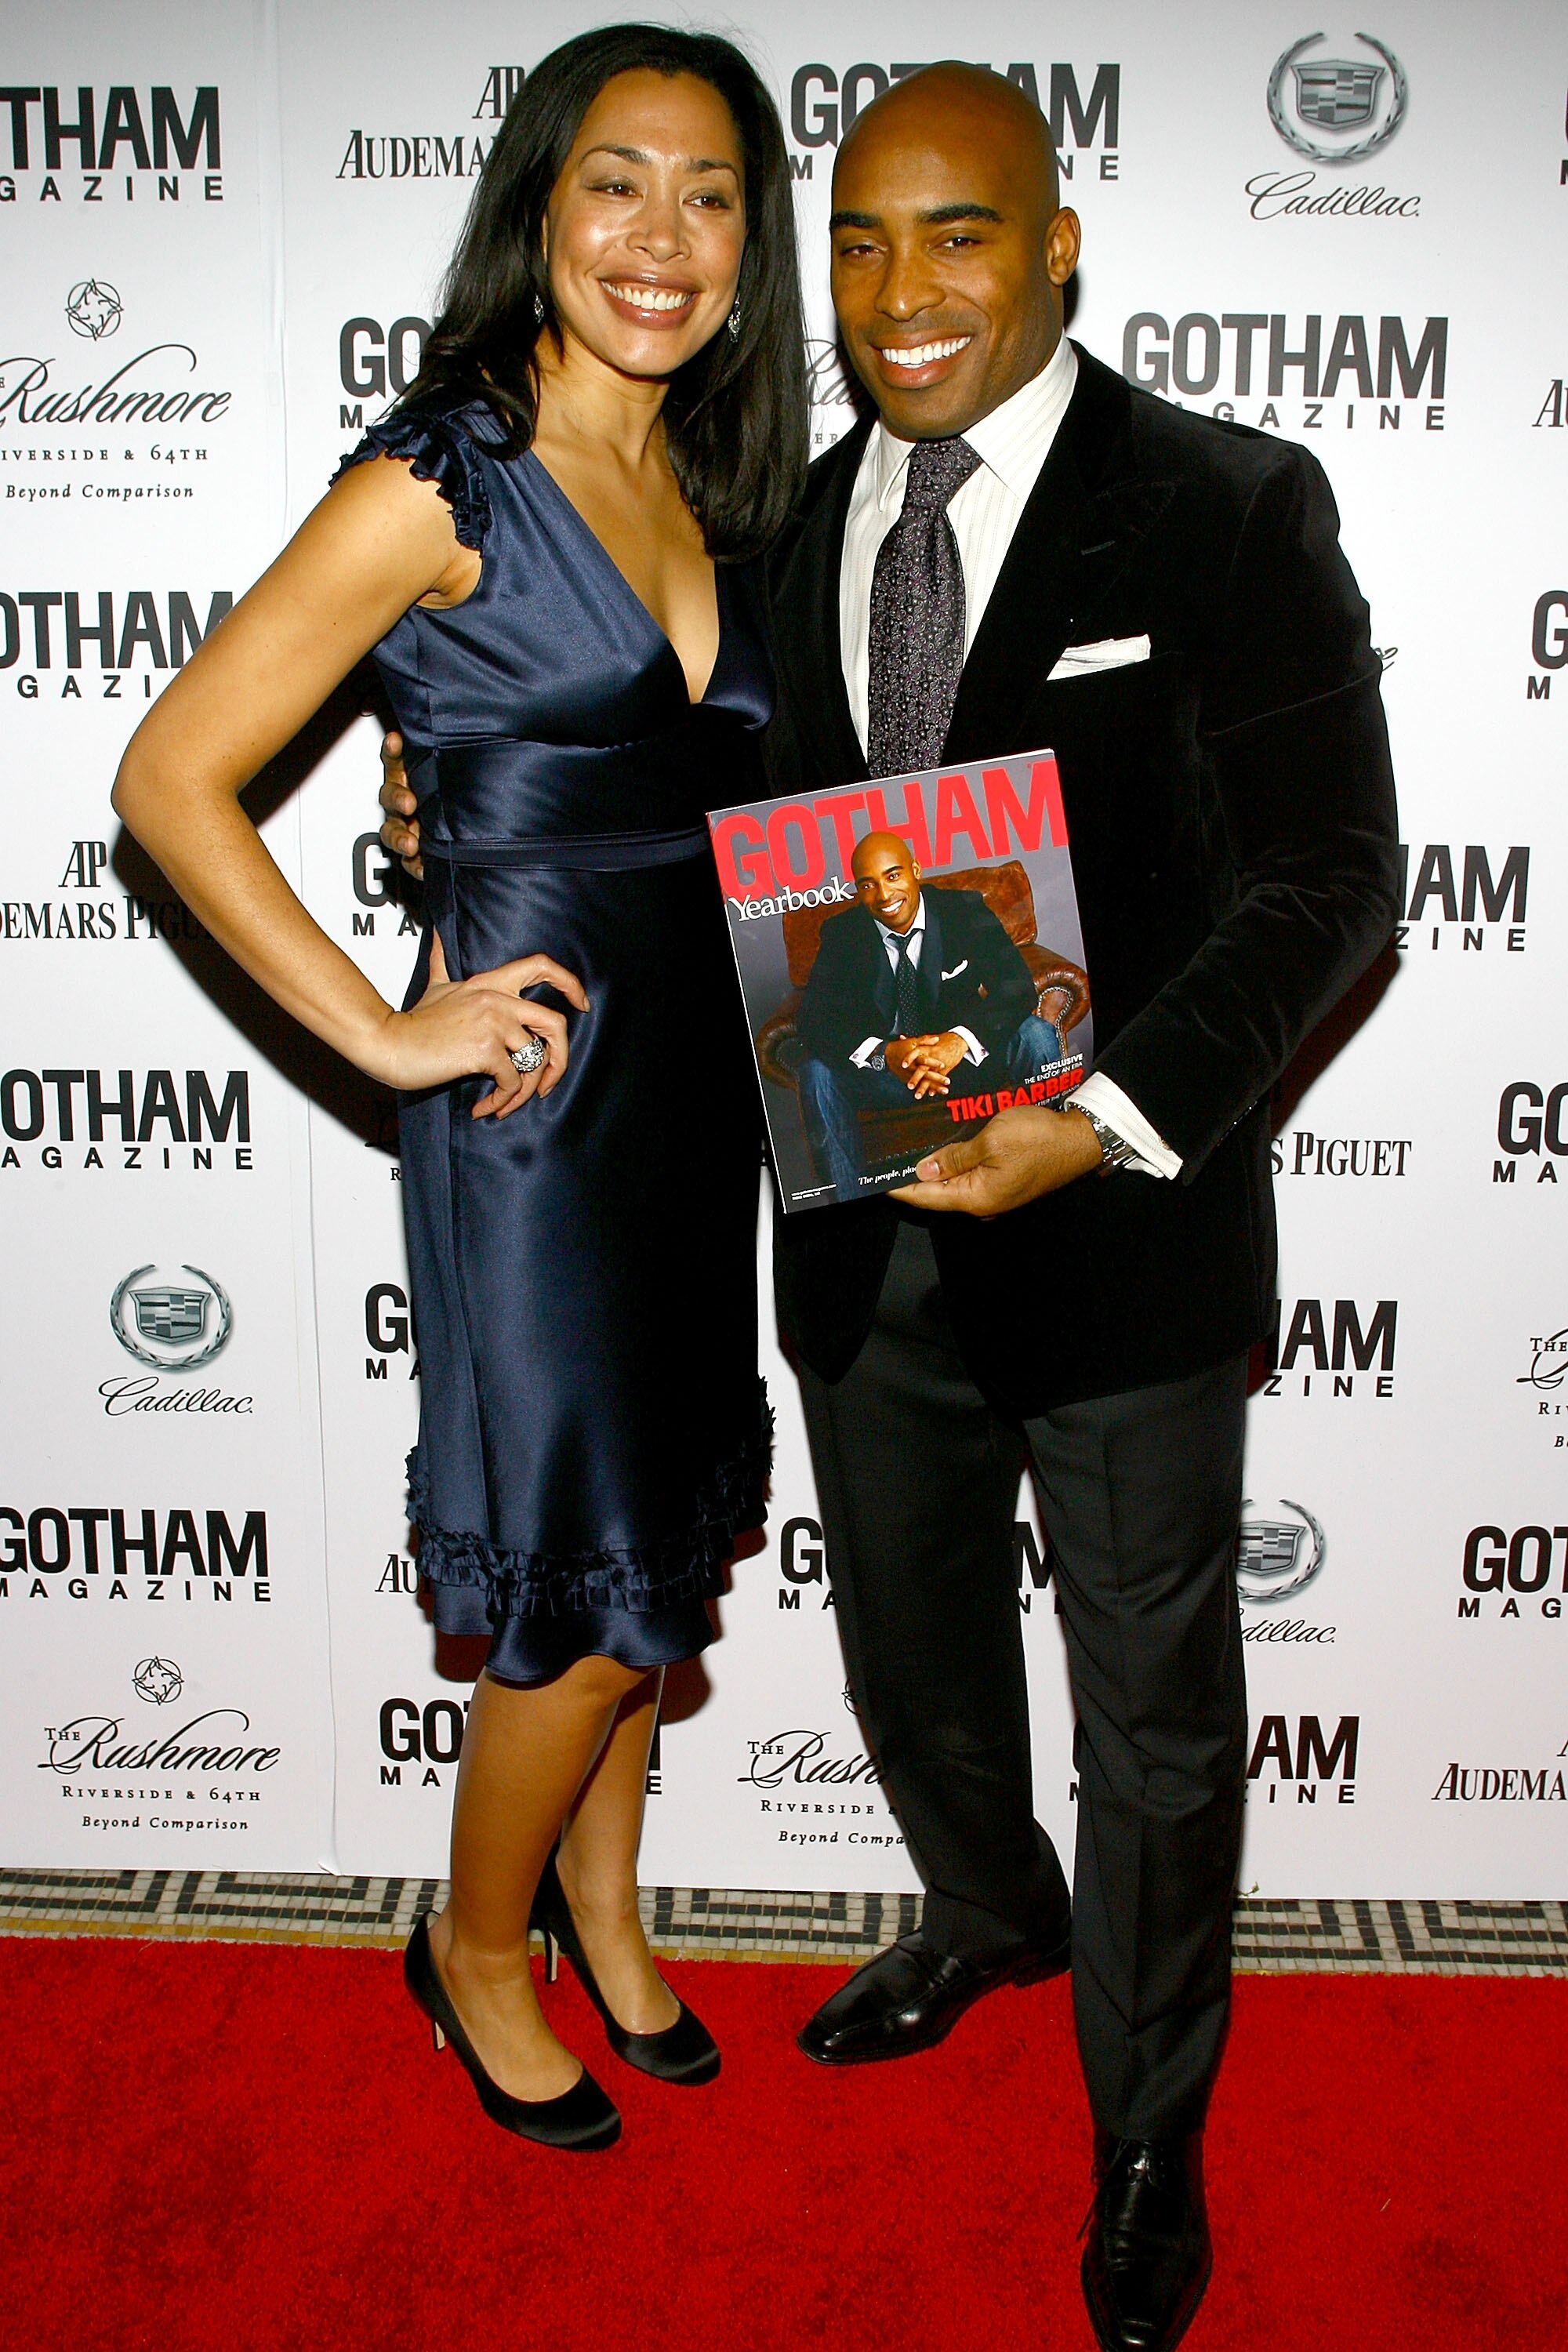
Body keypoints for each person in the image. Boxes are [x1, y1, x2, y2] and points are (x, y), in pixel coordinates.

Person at [379, 58, 1399, 2349]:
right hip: (854, 1227)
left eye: (958, 232)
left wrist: (1106, 1112)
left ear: (1056, 246)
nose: (900, 284)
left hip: (1118, 1229)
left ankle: (1144, 2131)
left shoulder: (1223, 503)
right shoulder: (770, 522)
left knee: (1151, 1717)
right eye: (856, 239)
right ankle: (982, 1908)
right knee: (913, 1658)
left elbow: (1335, 874)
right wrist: (440, 792)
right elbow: (642, 776)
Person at [112, 24, 805, 2154]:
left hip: (706, 1097)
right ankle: (474, 1945)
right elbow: (172, 772)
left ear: (751, 241)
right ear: (539, 205)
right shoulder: (444, 477)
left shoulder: (714, 478)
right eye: (617, 180)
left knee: (649, 1559)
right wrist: (384, 1023)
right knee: (578, 1588)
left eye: (709, 193)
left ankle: (604, 1902)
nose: (661, 237)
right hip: (546, 1118)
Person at [794, 829, 1060, 1191]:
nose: (884, 895)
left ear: (916, 870)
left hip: (966, 1063)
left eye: (893, 876)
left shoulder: (963, 910)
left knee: (1037, 1035)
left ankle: (1049, 1167)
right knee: (816, 1073)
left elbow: (1016, 986)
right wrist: (885, 1053)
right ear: (858, 890)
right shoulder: (843, 934)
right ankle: (849, 1201)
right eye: (868, 885)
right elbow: (813, 1020)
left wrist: (959, 1041)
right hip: (890, 1074)